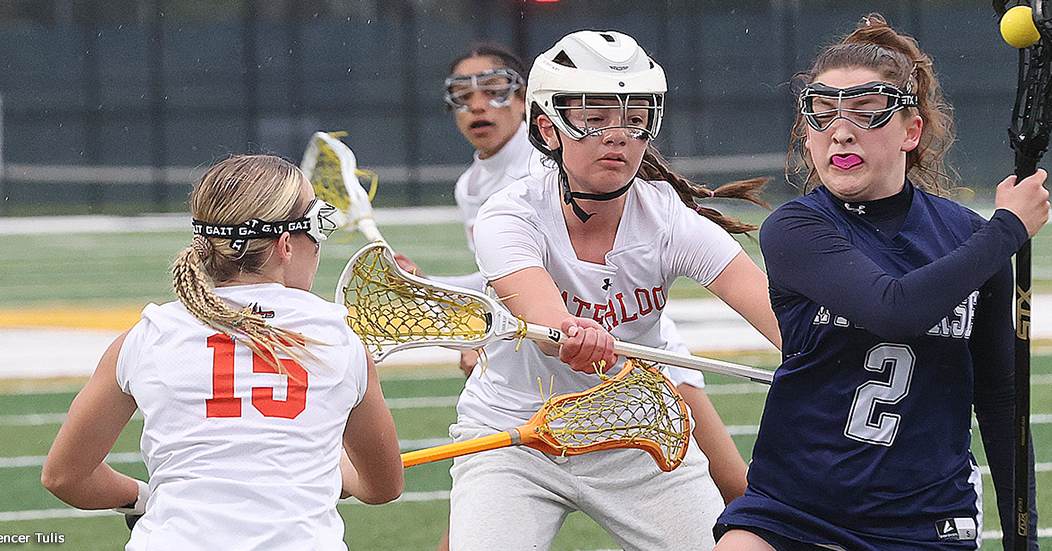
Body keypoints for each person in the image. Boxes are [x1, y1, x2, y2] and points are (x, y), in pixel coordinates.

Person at [404, 40, 754, 551]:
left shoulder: (672, 221)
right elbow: (547, 322)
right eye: (594, 118)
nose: (617, 135)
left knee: (737, 505)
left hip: (634, 424)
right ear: (549, 129)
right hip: (517, 432)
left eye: (635, 119)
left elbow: (780, 316)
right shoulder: (508, 212)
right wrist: (571, 331)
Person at [713, 14, 1045, 551]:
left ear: (911, 131)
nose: (841, 131)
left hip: (924, 520)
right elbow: (893, 310)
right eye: (823, 112)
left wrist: (1022, 542)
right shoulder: (795, 229)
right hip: (794, 509)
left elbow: (1001, 397)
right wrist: (1007, 230)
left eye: (866, 112)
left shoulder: (969, 238)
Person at [42, 154, 404, 550]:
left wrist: (142, 497)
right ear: (285, 245)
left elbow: (64, 477)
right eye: (319, 225)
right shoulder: (339, 339)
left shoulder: (147, 336)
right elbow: (382, 486)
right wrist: (330, 469)